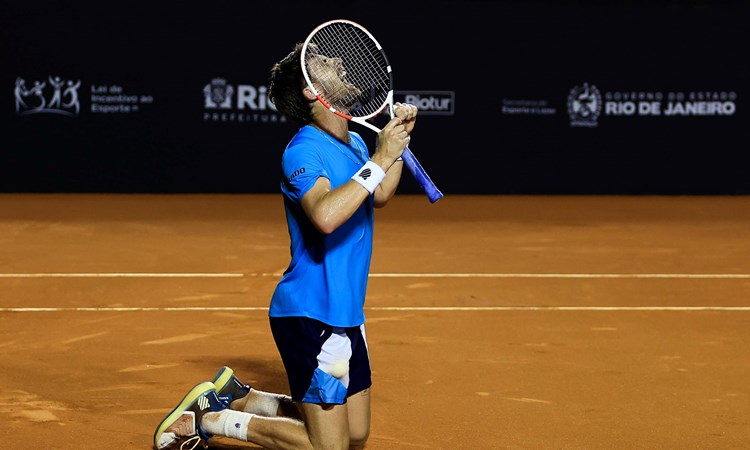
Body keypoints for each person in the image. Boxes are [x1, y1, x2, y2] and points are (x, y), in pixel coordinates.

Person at [153, 40, 418, 450]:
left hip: (347, 311)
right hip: (310, 312)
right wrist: (380, 160)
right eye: (324, 61)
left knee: (356, 434)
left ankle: (244, 396)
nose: (338, 61)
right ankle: (209, 420)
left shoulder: (356, 145)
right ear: (312, 91)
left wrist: (395, 149)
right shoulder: (303, 149)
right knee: (327, 447)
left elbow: (378, 194)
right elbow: (326, 216)